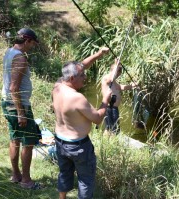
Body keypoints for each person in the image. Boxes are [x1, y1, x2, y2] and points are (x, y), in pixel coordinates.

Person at [52, 47, 111, 199]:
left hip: (60, 142)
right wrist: (105, 99)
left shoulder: (57, 86)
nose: (85, 77)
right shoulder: (77, 98)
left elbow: (81, 66)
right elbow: (98, 118)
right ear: (72, 78)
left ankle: (62, 197)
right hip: (78, 146)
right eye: (82, 75)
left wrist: (98, 54)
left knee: (65, 172)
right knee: (85, 179)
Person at [1, 28, 42, 190]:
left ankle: (16, 175)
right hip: (18, 105)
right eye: (32, 43)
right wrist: (20, 113)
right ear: (27, 41)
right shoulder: (20, 58)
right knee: (28, 142)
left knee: (15, 138)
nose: (32, 47)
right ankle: (26, 181)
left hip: (7, 102)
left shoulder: (9, 52)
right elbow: (13, 87)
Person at [101, 59, 138, 135]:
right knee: (110, 128)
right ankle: (107, 142)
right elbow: (110, 79)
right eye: (117, 74)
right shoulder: (106, 78)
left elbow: (120, 87)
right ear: (114, 71)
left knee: (114, 128)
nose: (117, 76)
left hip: (114, 108)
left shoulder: (113, 81)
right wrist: (116, 65)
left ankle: (111, 141)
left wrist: (131, 86)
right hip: (109, 107)